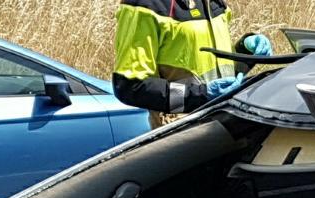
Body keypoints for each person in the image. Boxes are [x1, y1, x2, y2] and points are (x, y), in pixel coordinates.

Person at [112, 0, 273, 128]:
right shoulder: (143, 5)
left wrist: (246, 51)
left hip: (225, 123)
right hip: (181, 135)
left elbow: (220, 71)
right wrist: (200, 95)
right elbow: (130, 86)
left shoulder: (212, 3)